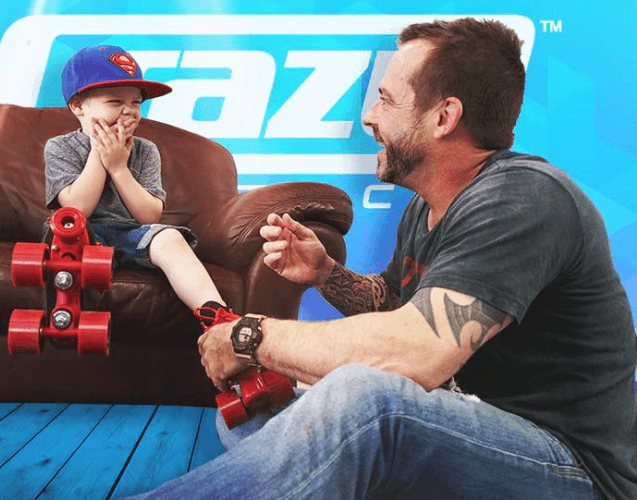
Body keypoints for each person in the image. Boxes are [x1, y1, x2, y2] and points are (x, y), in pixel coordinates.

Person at [125, 18, 637, 500]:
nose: (369, 116)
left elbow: (416, 354)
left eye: (387, 100)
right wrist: (326, 274)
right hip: (465, 422)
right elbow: (397, 307)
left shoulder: (523, 198)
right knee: (259, 404)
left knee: (364, 401)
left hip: (569, 467)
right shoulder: (427, 207)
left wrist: (250, 334)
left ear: (445, 116)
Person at [45, 45, 237, 329]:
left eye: (136, 103)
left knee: (170, 238)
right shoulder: (60, 147)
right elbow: (77, 209)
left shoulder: (146, 150)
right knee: (65, 240)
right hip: (78, 235)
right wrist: (101, 154)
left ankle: (218, 319)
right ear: (78, 106)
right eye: (114, 102)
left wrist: (120, 168)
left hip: (129, 234)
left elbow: (149, 217)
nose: (128, 112)